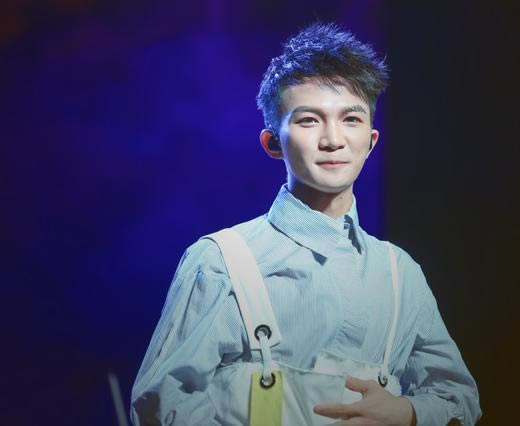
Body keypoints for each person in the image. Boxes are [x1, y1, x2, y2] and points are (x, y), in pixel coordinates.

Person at [131, 23, 481, 426]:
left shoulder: (400, 274)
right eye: (309, 120)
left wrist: (407, 412)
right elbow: (162, 405)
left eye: (351, 119)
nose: (333, 139)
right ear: (272, 143)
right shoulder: (220, 262)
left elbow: (459, 397)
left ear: (371, 141)